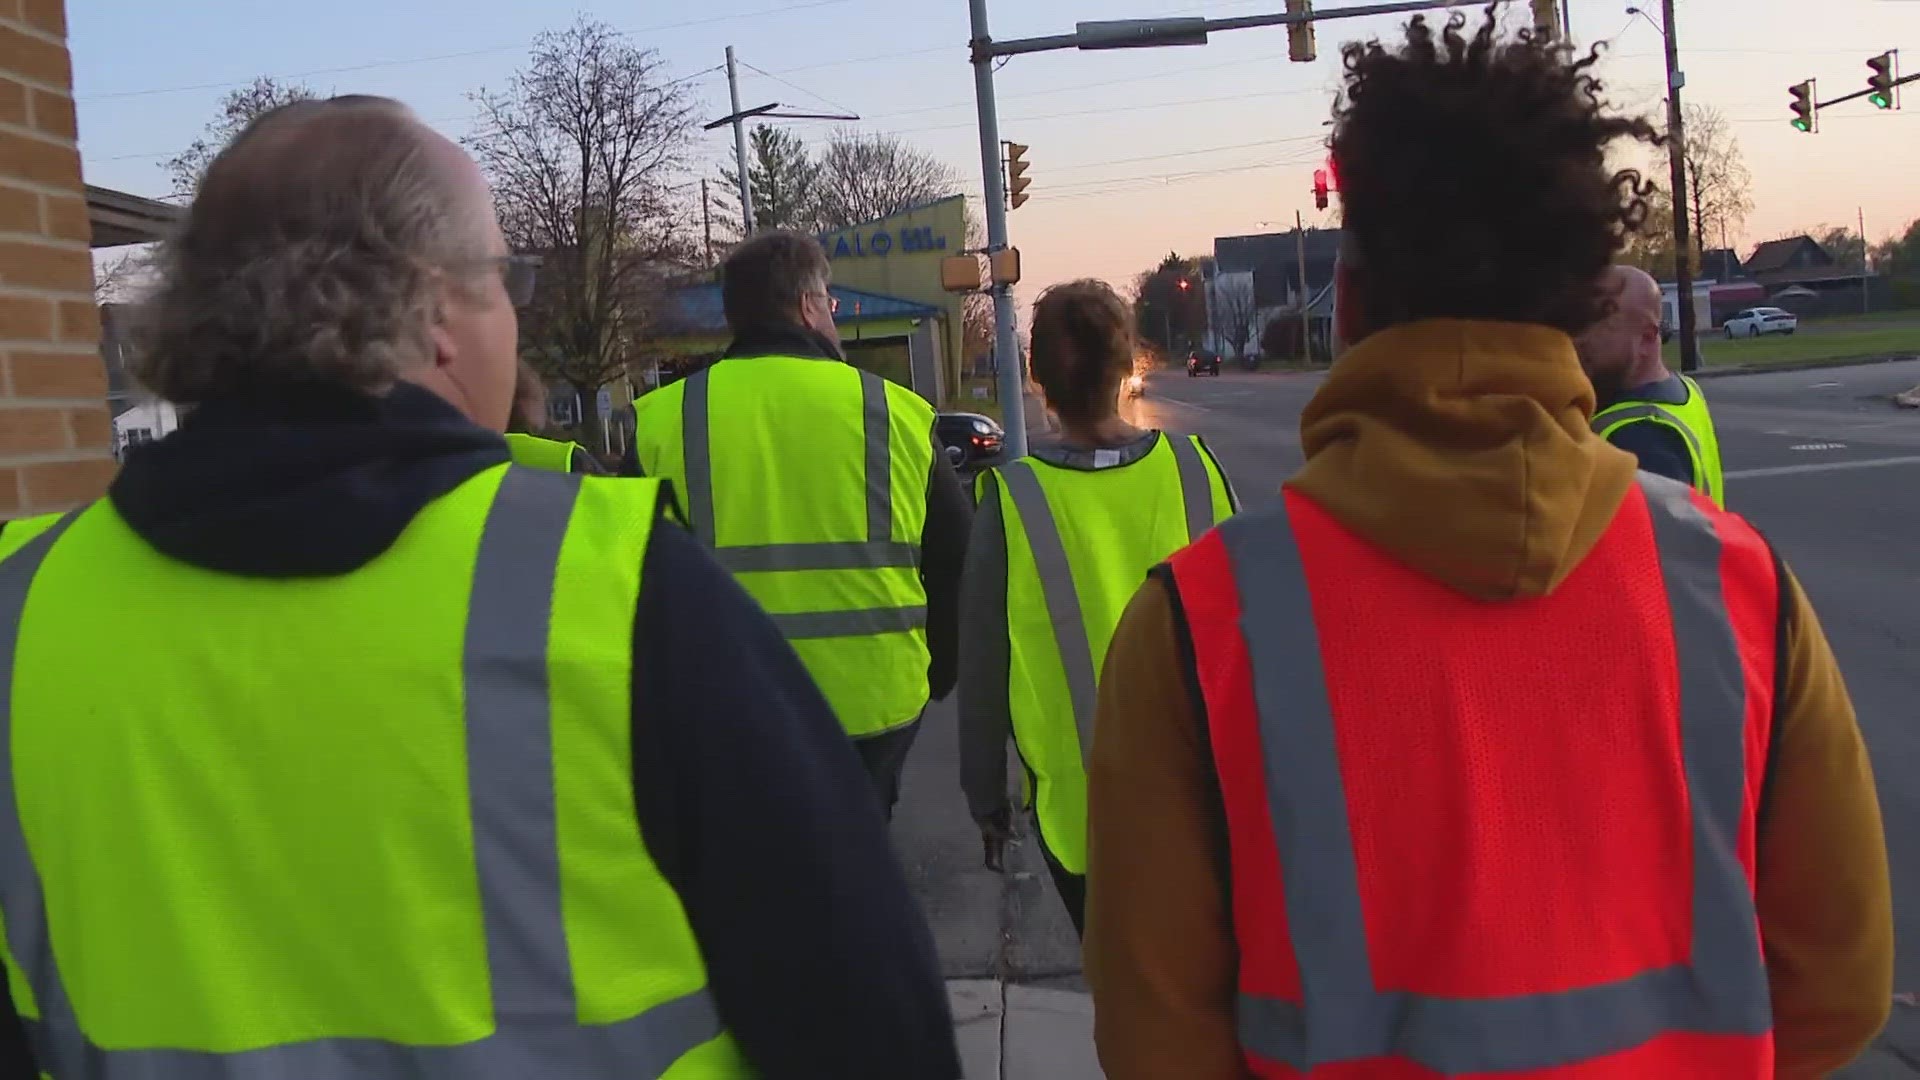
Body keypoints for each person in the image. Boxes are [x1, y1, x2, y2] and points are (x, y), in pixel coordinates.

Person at [0, 95, 959, 1079]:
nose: (515, 308)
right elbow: (870, 1019)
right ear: (431, 309)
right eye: (504, 276)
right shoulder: (609, 590)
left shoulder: (20, 611)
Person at [1084, 14, 1891, 1080]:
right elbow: (1839, 988)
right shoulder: (1743, 593)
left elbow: (1155, 1044)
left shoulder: (1198, 631)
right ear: (1574, 297)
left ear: (1352, 300)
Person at [626, 230, 972, 819]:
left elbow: (628, 579)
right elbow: (958, 561)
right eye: (831, 302)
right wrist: (936, 673)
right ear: (809, 306)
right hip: (874, 702)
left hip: (728, 708)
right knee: (857, 864)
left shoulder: (664, 420)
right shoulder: (894, 411)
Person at [958, 280, 1235, 934]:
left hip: (1086, 822)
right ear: (1126, 366)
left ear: (1037, 376)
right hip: (1209, 797)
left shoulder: (1015, 500)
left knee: (1126, 1003)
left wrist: (988, 801)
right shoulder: (1196, 470)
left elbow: (984, 668)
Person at [1577, 264, 1724, 503]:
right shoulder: (1685, 389)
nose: (1581, 339)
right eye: (1578, 324)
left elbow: (1660, 537)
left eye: (1600, 326)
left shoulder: (1638, 436)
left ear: (1646, 338)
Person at [505, 358, 607, 474]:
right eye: (538, 393)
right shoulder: (569, 460)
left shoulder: (483, 458)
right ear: (516, 401)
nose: (546, 393)